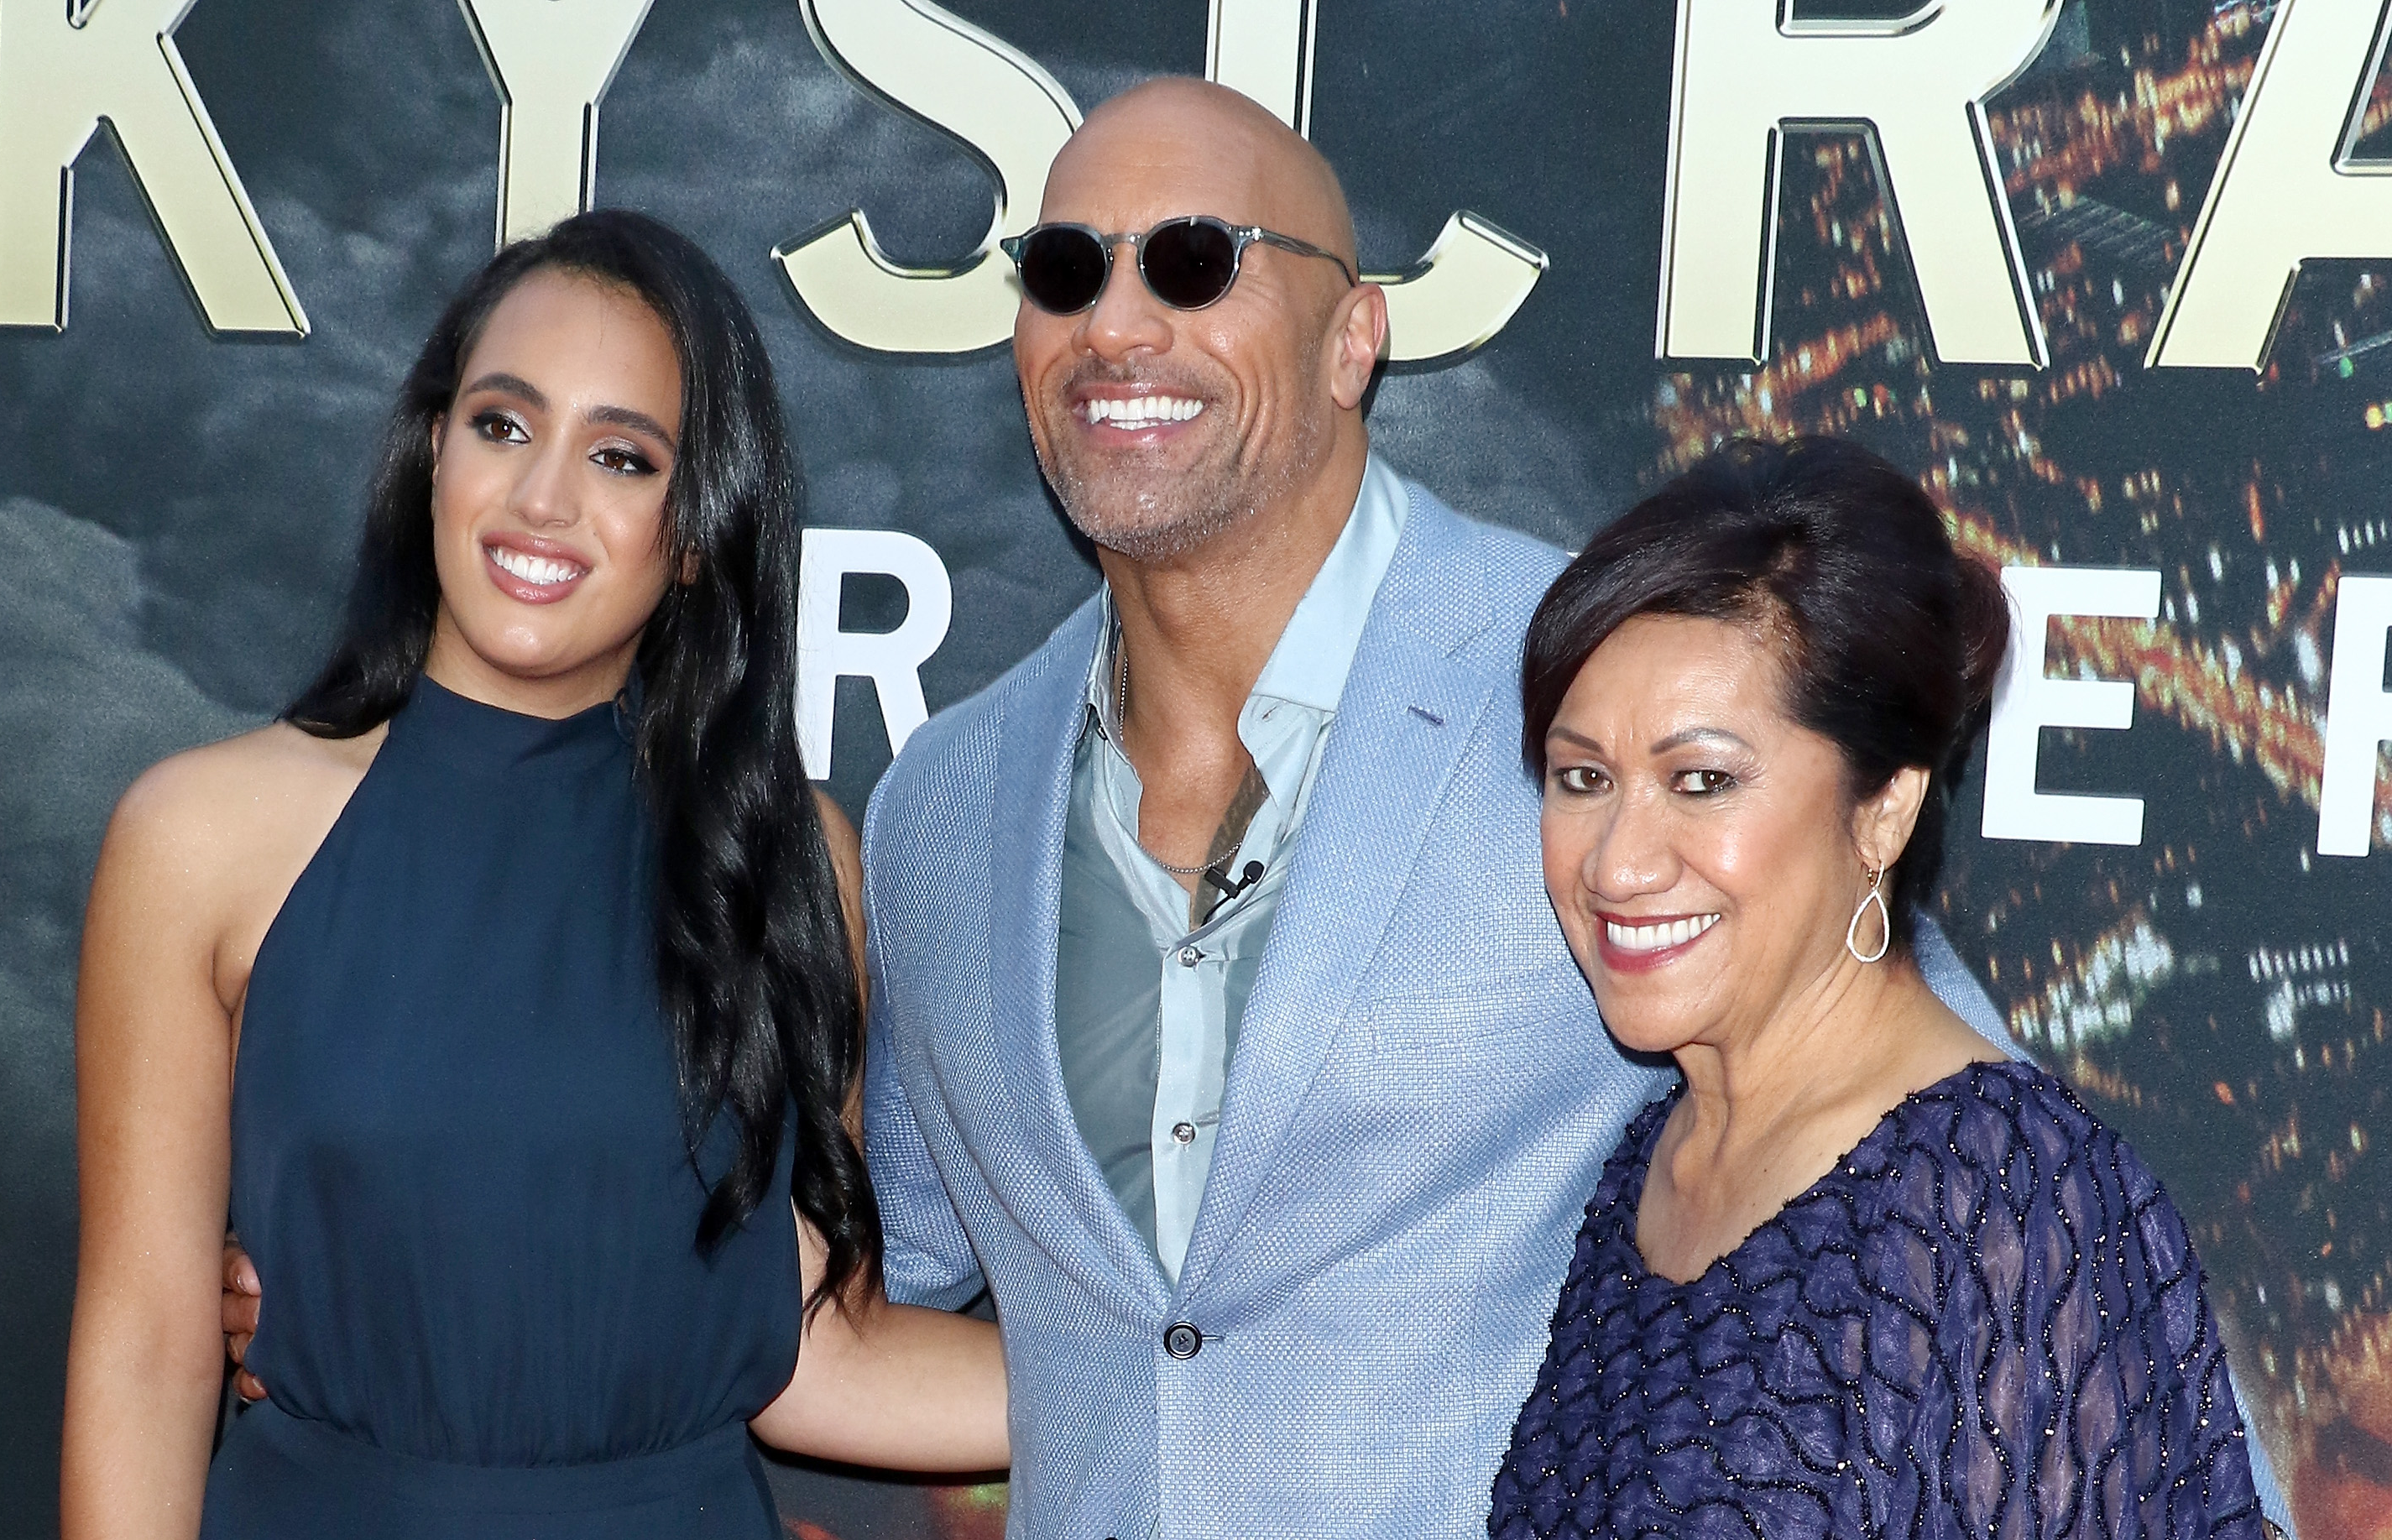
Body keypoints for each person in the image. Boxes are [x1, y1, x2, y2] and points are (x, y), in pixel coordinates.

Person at [848, 79, 2247, 1540]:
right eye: (1064, 271)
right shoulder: (941, 805)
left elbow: (1968, 1189)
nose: (1117, 326)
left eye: (1194, 261)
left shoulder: (1610, 676)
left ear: (1354, 338)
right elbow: (1016, 1325)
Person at [64, 211, 1004, 1540]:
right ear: (432, 452)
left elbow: (814, 1355)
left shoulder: (789, 860)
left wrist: (1213, 1374)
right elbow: (148, 1344)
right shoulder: (201, 837)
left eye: (621, 456)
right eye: (504, 424)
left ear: (693, 532)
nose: (542, 498)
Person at [1490, 436, 2267, 1538]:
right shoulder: (1652, 1163)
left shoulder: (2000, 1196)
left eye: (1701, 780)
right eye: (1583, 779)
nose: (1616, 861)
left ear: (1884, 811)